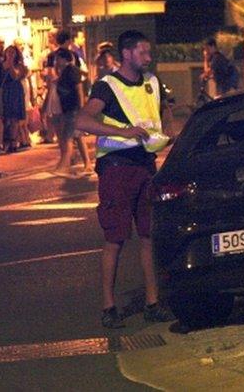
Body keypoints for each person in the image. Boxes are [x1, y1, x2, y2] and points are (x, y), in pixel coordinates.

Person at [75, 30, 175, 328]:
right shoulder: (107, 86)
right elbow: (82, 120)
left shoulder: (152, 82)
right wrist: (123, 132)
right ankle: (108, 306)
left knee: (148, 234)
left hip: (146, 164)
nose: (148, 57)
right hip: (117, 168)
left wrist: (167, 134)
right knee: (115, 238)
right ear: (128, 53)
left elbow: (164, 113)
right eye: (143, 52)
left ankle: (153, 302)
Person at [51, 48, 91, 176]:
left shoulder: (71, 71)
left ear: (64, 59)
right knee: (78, 137)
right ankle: (88, 165)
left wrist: (81, 108)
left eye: (58, 58)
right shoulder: (66, 71)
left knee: (67, 137)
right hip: (70, 108)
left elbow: (79, 89)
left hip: (73, 109)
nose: (56, 61)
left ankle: (64, 166)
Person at [1, 45, 28, 153]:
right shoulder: (2, 64)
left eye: (12, 52)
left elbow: (15, 76)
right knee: (6, 117)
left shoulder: (20, 66)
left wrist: (11, 64)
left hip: (15, 91)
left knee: (15, 118)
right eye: (8, 52)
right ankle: (6, 141)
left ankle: (14, 142)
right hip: (5, 91)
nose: (10, 54)